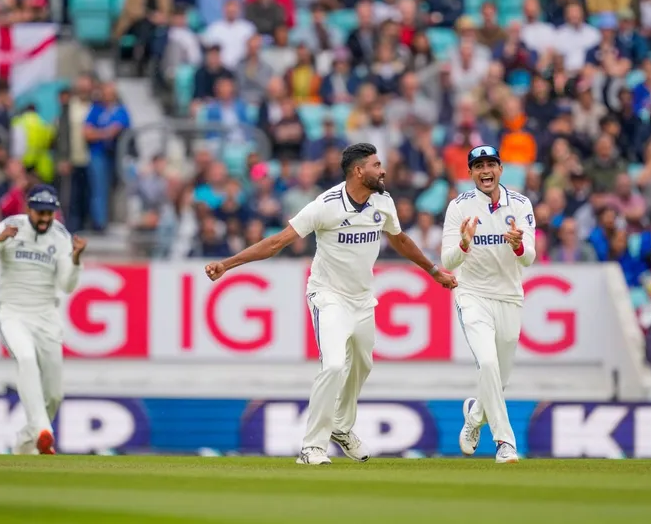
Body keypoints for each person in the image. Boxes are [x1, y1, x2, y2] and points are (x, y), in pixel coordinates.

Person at [203, 143, 457, 465]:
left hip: (363, 299)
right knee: (334, 365)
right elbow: (277, 242)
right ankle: (312, 447)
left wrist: (433, 270)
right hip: (328, 296)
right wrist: (228, 264)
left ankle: (341, 426)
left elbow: (400, 239)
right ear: (358, 171)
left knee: (363, 364)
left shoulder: (383, 201)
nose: (383, 170)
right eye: (376, 165)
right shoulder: (326, 205)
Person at [0, 185, 87, 455]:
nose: (44, 219)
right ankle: (44, 431)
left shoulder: (60, 236)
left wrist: (76, 260)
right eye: (40, 213)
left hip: (46, 317)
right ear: (28, 208)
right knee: (26, 360)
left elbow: (67, 285)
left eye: (49, 213)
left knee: (54, 394)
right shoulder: (11, 226)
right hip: (13, 314)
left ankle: (25, 441)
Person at [440, 145, 536, 464]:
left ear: (500, 168)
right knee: (489, 365)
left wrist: (519, 245)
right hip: (473, 295)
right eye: (478, 165)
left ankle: (475, 416)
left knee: (500, 376)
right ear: (470, 173)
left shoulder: (521, 204)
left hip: (509, 297)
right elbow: (447, 259)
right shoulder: (459, 207)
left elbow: (530, 258)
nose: (485, 171)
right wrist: (464, 244)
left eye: (490, 164)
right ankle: (504, 443)